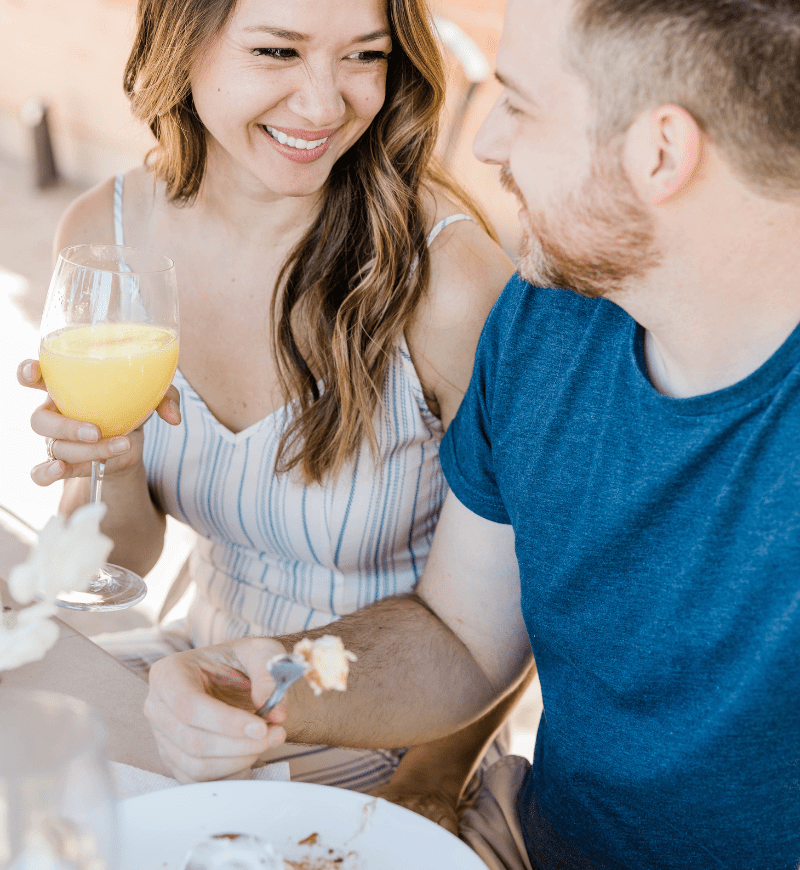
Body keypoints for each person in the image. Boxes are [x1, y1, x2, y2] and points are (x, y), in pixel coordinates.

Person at [139, 0, 800, 867]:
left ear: (660, 152)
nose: (485, 145)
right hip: (532, 841)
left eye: (519, 106)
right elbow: (459, 635)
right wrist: (270, 680)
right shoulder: (544, 319)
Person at [16, 0, 516, 813]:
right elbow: (123, 557)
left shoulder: (451, 284)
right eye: (279, 51)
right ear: (182, 44)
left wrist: (431, 781)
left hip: (387, 716)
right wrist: (110, 461)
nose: (326, 104)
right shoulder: (110, 234)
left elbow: (517, 607)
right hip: (198, 669)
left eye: (365, 56)